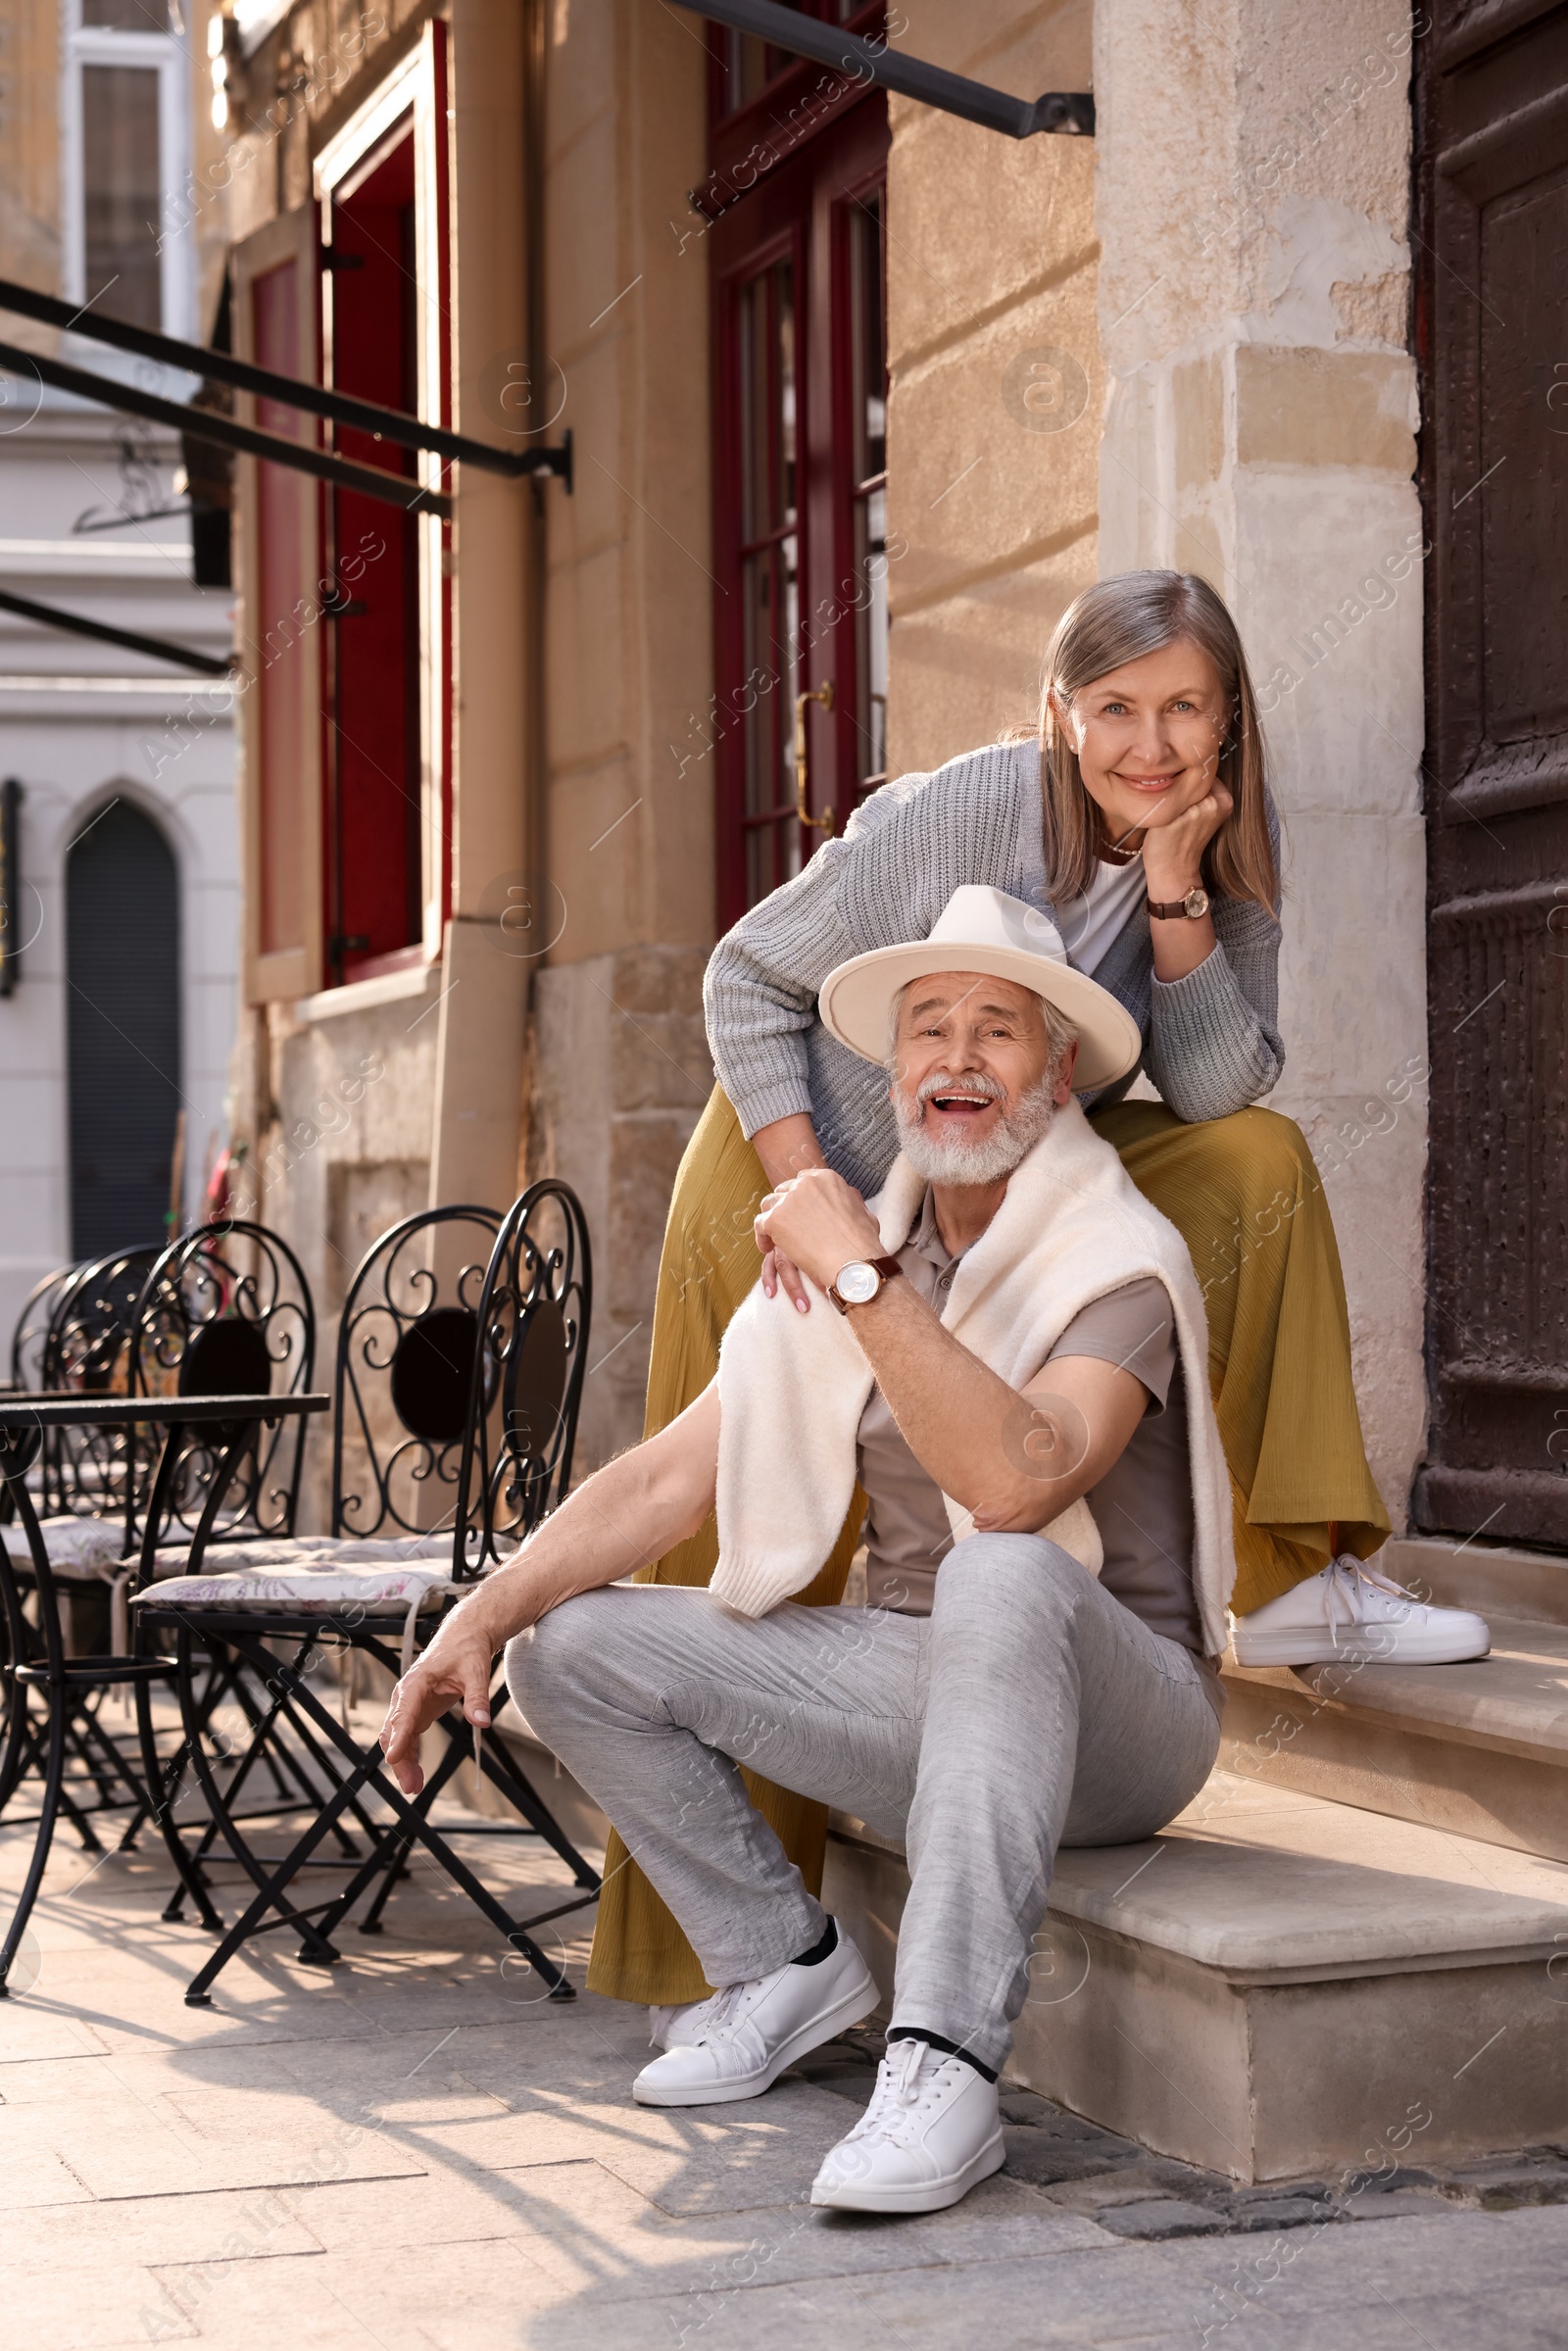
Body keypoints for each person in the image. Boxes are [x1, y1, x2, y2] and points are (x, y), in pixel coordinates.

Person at [379, 892, 1487, 2217]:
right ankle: (782, 1962)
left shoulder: (1113, 1257)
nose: (957, 1059)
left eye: (996, 1030)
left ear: (1054, 1070)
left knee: (1006, 1568)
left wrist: (863, 1285)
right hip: (918, 1688)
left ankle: (946, 2062)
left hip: (1120, 1718)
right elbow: (675, 1476)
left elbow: (1014, 1487)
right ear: (895, 1072)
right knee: (575, 1639)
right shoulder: (871, 1251)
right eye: (928, 1030)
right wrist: (479, 1615)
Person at [588, 567, 1481, 2013]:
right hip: (804, 1154)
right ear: (1062, 716)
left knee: (1257, 1162)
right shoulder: (972, 808)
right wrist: (812, 1193)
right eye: (1117, 708)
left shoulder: (1221, 842)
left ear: (1230, 718)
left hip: (1006, 1148)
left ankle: (1304, 1574)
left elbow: (1212, 1082)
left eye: (1187, 707)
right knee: (761, 1524)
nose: (1153, 744)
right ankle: (730, 1955)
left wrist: (1181, 889)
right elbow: (745, 975)